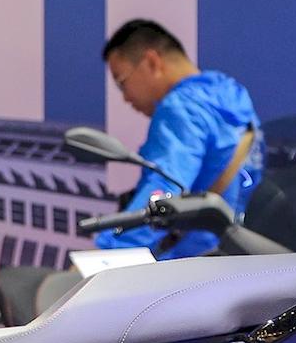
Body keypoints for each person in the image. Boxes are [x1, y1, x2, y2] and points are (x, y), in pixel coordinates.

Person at [93, 18, 263, 259]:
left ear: (152, 62)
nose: (125, 97)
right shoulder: (231, 94)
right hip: (241, 255)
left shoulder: (180, 109)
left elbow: (162, 195)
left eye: (122, 82)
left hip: (190, 267)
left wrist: (109, 252)